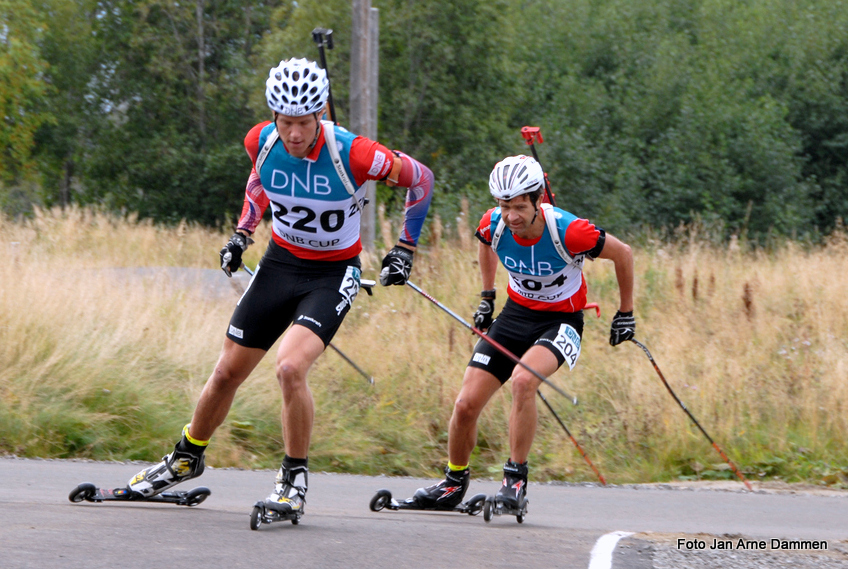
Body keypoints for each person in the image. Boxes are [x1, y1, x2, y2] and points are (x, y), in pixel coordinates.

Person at [125, 58, 434, 520]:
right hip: (280, 264)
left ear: (321, 113)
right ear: (274, 117)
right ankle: (186, 458)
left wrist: (405, 248)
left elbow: (421, 178)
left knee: (290, 367)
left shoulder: (355, 153)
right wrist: (242, 233)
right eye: (285, 122)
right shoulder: (261, 140)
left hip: (333, 274)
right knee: (227, 371)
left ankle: (293, 480)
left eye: (303, 124)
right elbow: (258, 181)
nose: (293, 134)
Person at [412, 155, 634, 510]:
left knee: (522, 381)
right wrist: (487, 298)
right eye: (504, 206)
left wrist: (626, 313)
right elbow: (485, 241)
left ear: (538, 200)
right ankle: (453, 483)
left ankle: (514, 482)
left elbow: (623, 254)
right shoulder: (494, 224)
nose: (511, 216)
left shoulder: (570, 230)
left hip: (561, 320)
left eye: (518, 206)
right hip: (514, 316)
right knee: (465, 404)